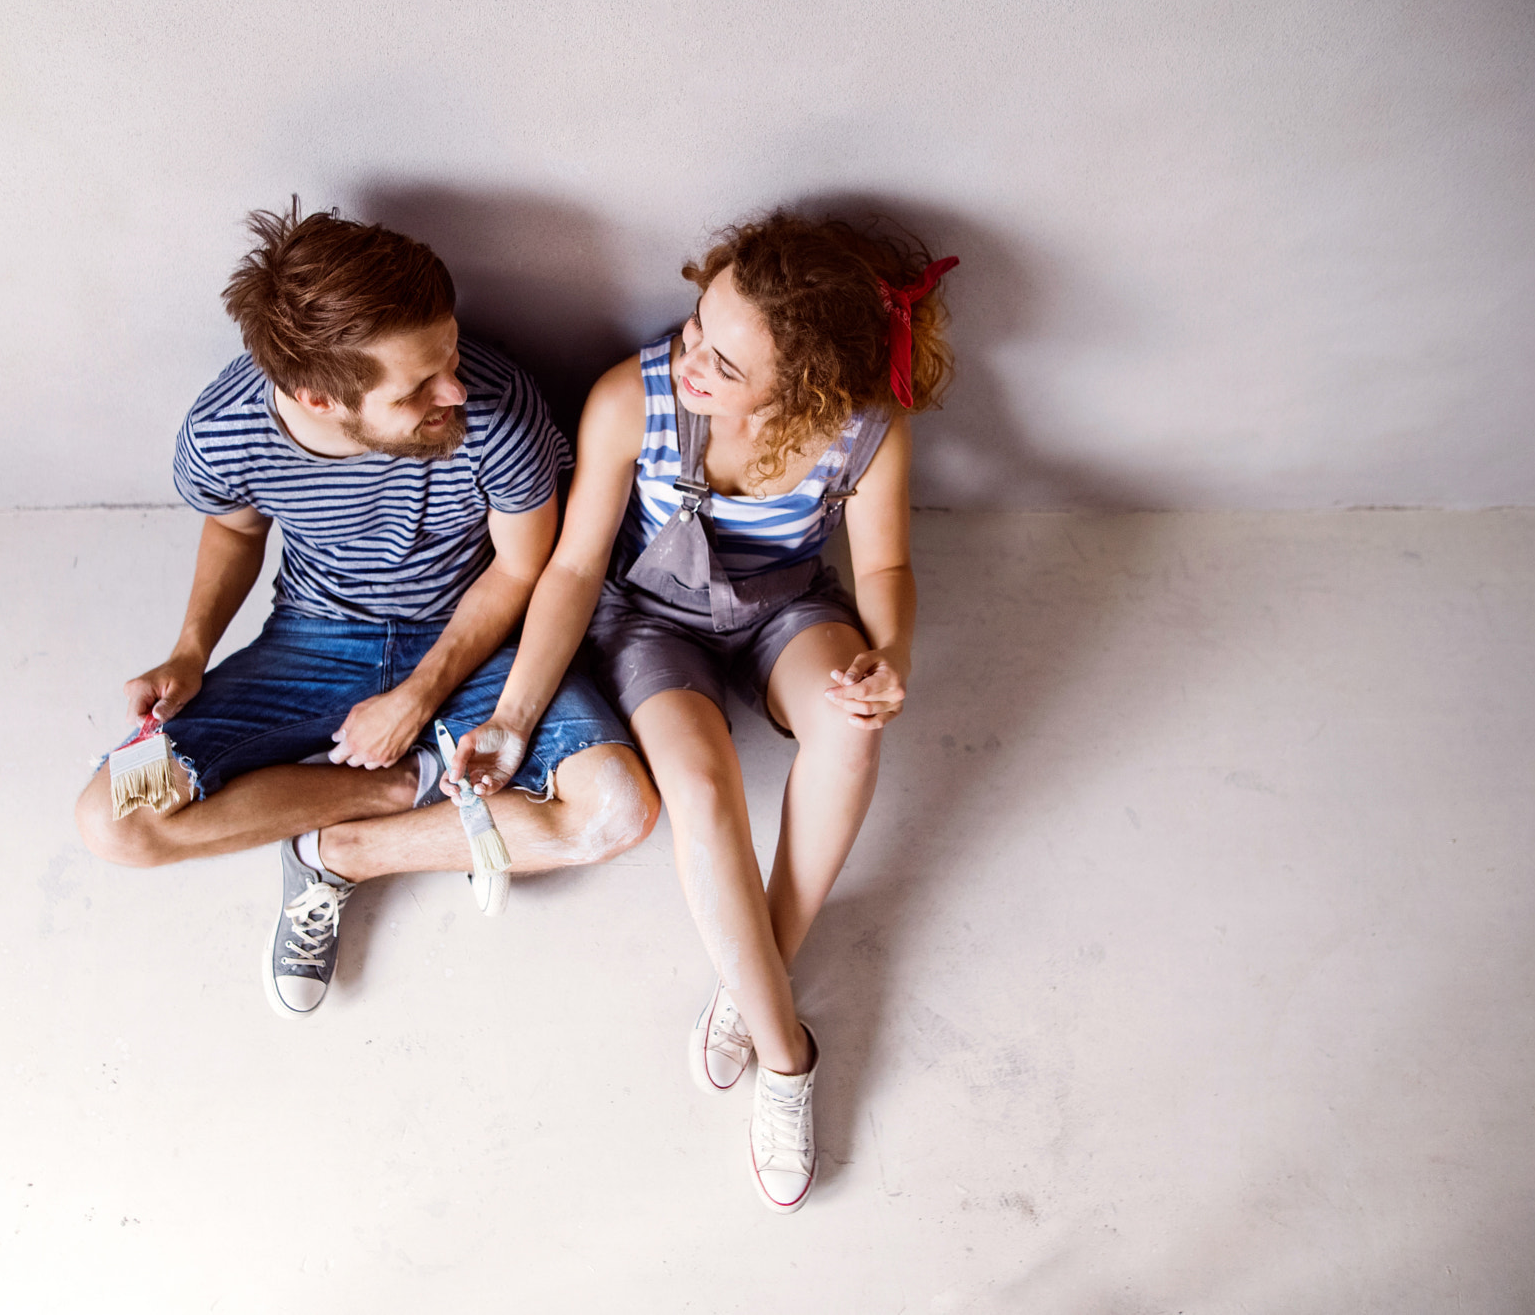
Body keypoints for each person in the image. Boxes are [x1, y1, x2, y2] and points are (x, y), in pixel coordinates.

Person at [448, 211, 954, 1211]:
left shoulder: (861, 433)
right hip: (649, 618)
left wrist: (887, 658)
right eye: (692, 329)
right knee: (697, 785)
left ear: (803, 387)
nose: (690, 360)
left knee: (853, 730)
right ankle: (787, 1053)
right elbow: (575, 568)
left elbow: (884, 565)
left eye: (724, 361)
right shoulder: (629, 400)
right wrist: (512, 714)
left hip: (784, 604)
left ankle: (753, 965)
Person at [74, 204, 658, 1018]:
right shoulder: (223, 431)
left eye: (448, 352)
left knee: (617, 807)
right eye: (419, 385)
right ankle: (399, 787)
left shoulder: (500, 412)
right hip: (310, 640)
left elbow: (527, 567)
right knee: (114, 820)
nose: (455, 389)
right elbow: (233, 531)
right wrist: (190, 651)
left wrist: (419, 695)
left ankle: (339, 852)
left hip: (474, 642)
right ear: (317, 399)